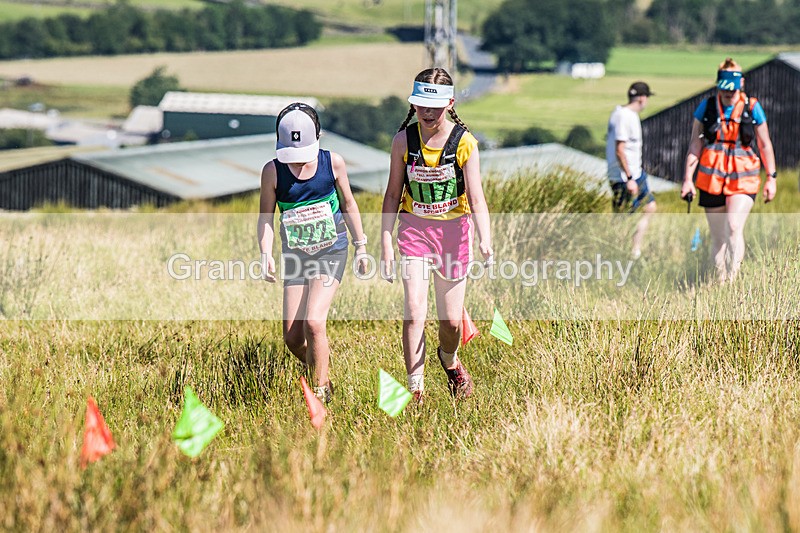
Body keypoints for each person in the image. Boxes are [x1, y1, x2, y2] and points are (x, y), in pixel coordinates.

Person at [380, 68, 493, 404]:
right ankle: (416, 390)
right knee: (414, 309)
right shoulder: (403, 141)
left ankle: (450, 359)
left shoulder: (465, 143)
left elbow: (476, 199)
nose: (427, 114)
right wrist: (386, 242)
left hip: (454, 235)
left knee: (451, 324)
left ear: (450, 104)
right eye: (420, 107)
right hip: (414, 230)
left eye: (434, 107)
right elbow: (391, 195)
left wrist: (485, 239)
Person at [258, 102, 369, 404]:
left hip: (331, 250)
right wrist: (266, 253)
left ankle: (319, 398)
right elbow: (266, 218)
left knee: (314, 322)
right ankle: (323, 374)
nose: (297, 164)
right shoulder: (272, 172)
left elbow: (348, 204)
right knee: (293, 338)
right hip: (296, 256)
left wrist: (361, 247)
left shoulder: (333, 163)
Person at [680, 58, 777, 282]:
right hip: (711, 179)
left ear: (741, 84)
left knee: (733, 225)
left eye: (732, 90)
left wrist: (771, 178)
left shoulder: (753, 108)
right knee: (718, 237)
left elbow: (765, 144)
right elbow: (695, 144)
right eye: (724, 89)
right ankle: (720, 283)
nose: (728, 94)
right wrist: (687, 180)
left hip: (744, 179)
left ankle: (733, 282)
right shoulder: (707, 107)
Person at [606, 81, 657, 260]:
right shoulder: (624, 117)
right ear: (642, 98)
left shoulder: (623, 114)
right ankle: (620, 251)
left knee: (649, 206)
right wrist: (629, 178)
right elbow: (620, 149)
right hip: (626, 176)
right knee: (623, 216)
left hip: (635, 173)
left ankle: (634, 248)